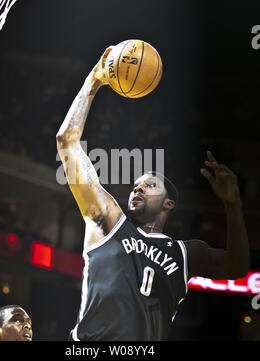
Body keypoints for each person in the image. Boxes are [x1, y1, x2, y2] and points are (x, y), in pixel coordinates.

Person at [56, 47, 250, 341]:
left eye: (149, 185)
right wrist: (93, 82)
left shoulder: (186, 252)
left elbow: (237, 268)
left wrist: (233, 206)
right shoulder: (108, 223)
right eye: (136, 184)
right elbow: (66, 142)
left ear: (168, 203)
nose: (138, 187)